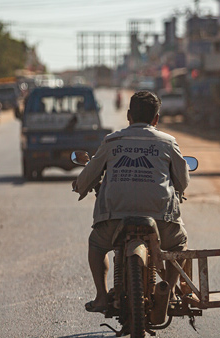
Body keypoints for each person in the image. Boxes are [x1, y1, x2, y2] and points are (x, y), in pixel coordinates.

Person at [72, 91, 190, 313]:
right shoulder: (168, 142)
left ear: (129, 115)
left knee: (97, 246)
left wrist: (80, 185)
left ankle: (100, 297)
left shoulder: (112, 141)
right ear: (156, 119)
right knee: (179, 245)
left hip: (114, 220)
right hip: (161, 221)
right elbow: (182, 181)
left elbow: (89, 174)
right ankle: (171, 292)